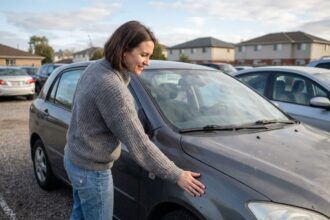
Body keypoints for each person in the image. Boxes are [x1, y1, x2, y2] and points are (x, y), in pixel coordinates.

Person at [63, 20, 205, 220]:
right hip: (91, 172)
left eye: (150, 55)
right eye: (143, 55)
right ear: (124, 52)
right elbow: (139, 143)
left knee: (79, 215)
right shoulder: (112, 87)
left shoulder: (96, 68)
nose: (147, 61)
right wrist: (177, 174)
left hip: (74, 158)